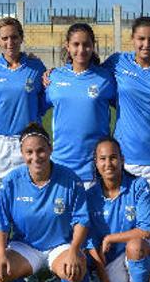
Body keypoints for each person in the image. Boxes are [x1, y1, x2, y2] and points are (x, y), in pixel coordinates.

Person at [0, 123, 91, 282]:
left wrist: (74, 250)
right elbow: (1, 224)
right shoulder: (11, 181)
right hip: (25, 246)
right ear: (22, 153)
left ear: (50, 149)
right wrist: (1, 254)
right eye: (29, 152)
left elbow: (82, 221)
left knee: (76, 274)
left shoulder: (70, 179)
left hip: (60, 245)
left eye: (41, 150)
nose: (35, 157)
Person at [102, 17, 150, 242]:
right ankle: (121, 260)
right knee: (125, 213)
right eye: (141, 39)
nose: (146, 44)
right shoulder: (117, 63)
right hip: (124, 155)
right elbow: (90, 72)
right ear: (132, 39)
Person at [85, 137, 150, 282]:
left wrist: (111, 237)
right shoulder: (90, 195)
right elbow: (92, 245)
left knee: (134, 245)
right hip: (110, 260)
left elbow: (146, 230)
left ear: (122, 159)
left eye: (113, 157)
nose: (108, 164)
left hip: (142, 250)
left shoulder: (139, 185)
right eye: (102, 159)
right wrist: (105, 281)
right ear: (96, 162)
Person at [0, 17, 47, 198]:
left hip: (26, 144)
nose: (10, 42)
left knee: (25, 199)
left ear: (21, 38)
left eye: (14, 37)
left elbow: (43, 104)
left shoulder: (36, 67)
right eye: (5, 38)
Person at [45, 23, 116, 187]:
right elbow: (37, 109)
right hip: (60, 164)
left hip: (95, 167)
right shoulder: (54, 78)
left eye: (86, 44)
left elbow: (125, 107)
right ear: (67, 46)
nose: (81, 49)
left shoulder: (105, 78)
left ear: (93, 46)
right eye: (76, 44)